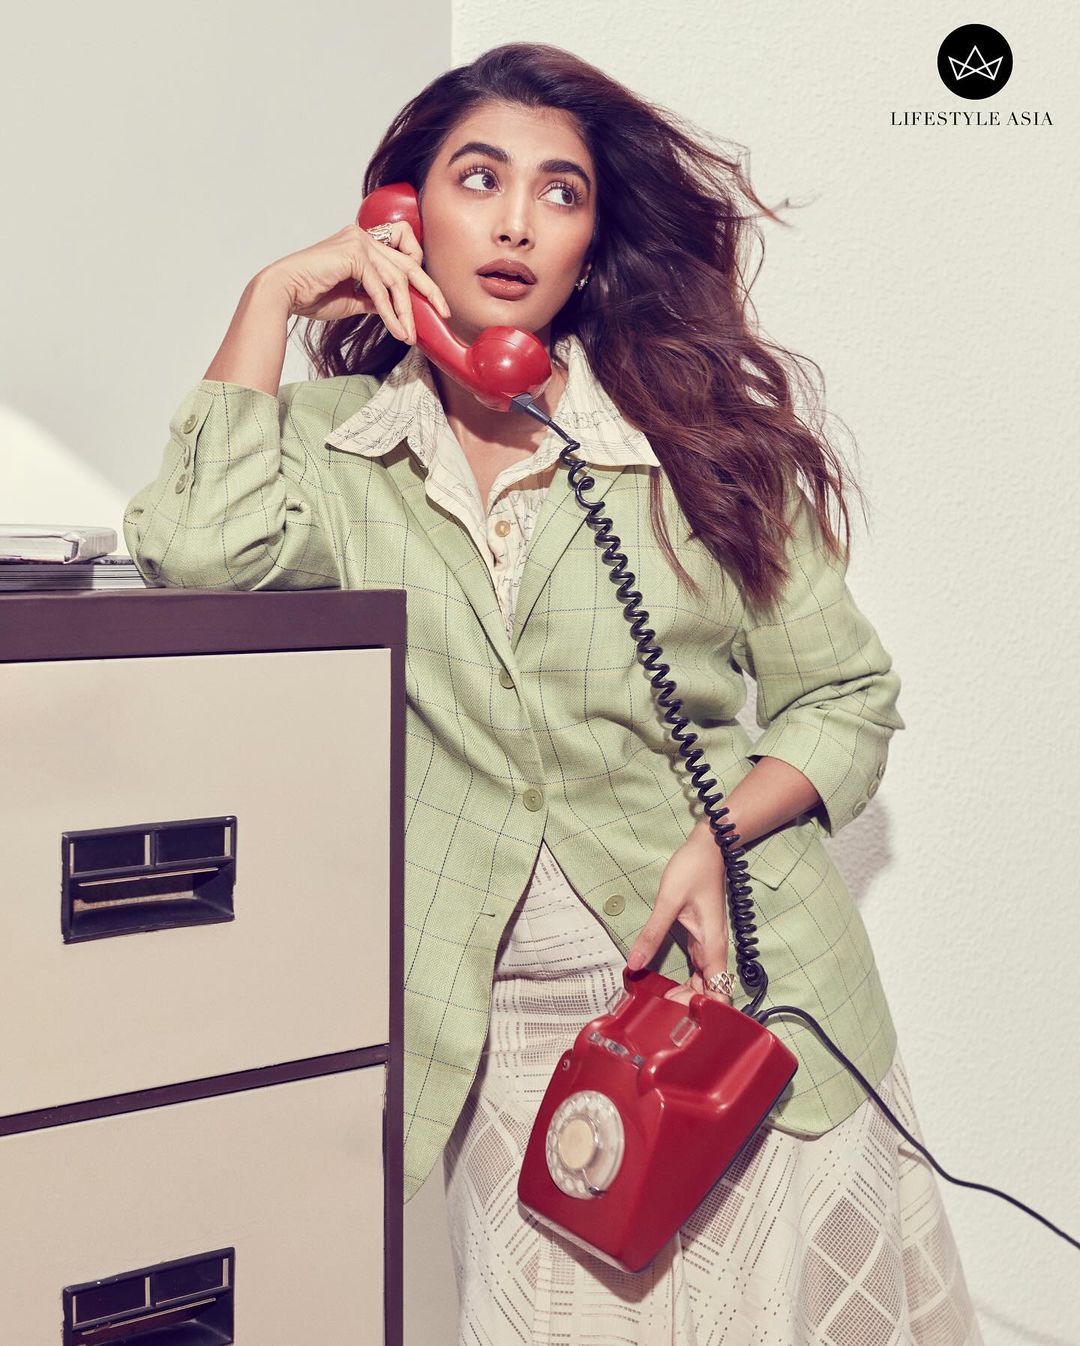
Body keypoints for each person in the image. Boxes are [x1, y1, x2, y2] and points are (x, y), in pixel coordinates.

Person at [123, 40, 984, 1346]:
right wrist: (275, 293)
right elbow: (196, 548)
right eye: (478, 180)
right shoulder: (343, 453)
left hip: (740, 1010)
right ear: (405, 215)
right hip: (508, 1034)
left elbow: (846, 695)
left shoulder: (697, 441)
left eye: (561, 193)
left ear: (596, 237)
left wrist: (722, 832)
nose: (519, 221)